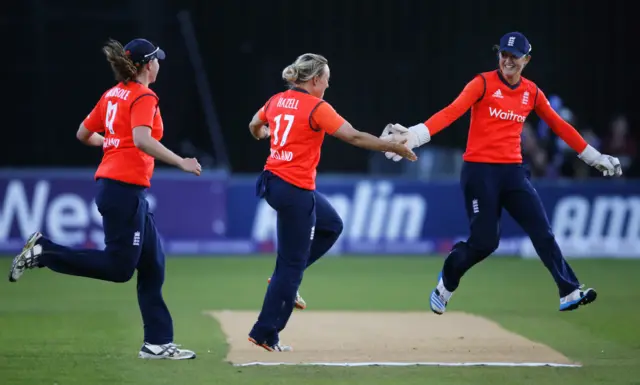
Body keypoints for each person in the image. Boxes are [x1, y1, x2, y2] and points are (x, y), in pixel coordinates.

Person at [381, 32, 622, 315]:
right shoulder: (481, 83)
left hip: (513, 173)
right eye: (504, 55)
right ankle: (447, 282)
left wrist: (594, 157)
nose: (507, 61)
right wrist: (415, 135)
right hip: (479, 171)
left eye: (514, 56)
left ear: (526, 60)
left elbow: (560, 126)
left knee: (542, 232)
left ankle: (568, 291)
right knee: (485, 243)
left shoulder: (531, 92)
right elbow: (451, 112)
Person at [8, 38, 201, 360]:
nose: (159, 65)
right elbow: (142, 139)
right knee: (120, 268)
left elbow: (83, 133)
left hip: (124, 189)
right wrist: (181, 161)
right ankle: (44, 252)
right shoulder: (143, 95)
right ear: (147, 64)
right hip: (122, 189)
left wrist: (111, 143)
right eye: (157, 60)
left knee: (153, 265)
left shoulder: (113, 94)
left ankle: (157, 343)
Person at [247, 53, 416, 351]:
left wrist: (265, 133)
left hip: (273, 182)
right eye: (326, 78)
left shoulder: (277, 100)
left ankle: (286, 282)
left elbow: (253, 125)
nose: (328, 83)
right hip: (294, 189)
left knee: (331, 225)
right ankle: (265, 333)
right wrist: (392, 147)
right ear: (314, 80)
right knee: (290, 266)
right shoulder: (317, 106)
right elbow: (353, 137)